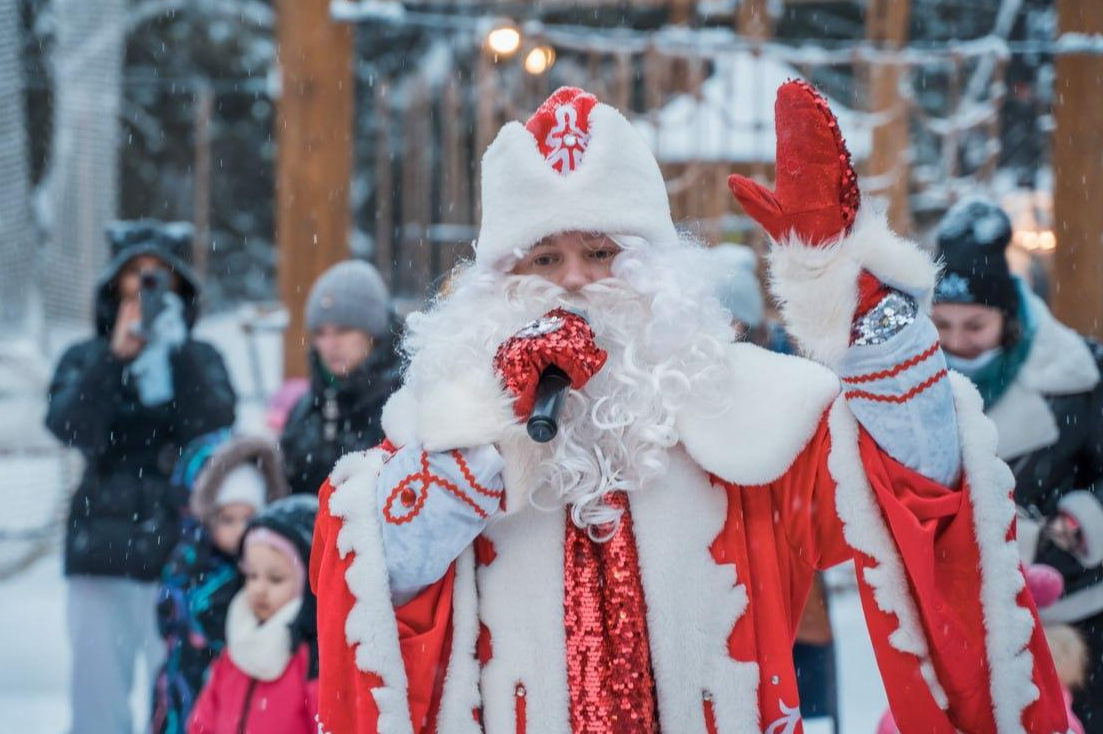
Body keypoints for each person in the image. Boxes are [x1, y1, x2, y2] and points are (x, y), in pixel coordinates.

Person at [310, 84, 1069, 734]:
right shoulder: (444, 429)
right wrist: (497, 432)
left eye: (603, 252)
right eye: (544, 258)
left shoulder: (748, 415)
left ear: (656, 268)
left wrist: (856, 306)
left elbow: (917, 493)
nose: (575, 280)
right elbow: (376, 591)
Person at [45, 220, 236, 734]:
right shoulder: (85, 357)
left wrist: (176, 353)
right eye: (135, 276)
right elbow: (69, 425)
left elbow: (217, 425)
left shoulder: (199, 356)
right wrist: (114, 359)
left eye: (159, 277)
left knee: (175, 695)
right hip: (99, 551)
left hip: (177, 553)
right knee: (97, 702)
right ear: (114, 285)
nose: (145, 289)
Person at [932, 198, 1103, 729]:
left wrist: (1078, 522)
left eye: (974, 325)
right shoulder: (917, 386)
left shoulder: (1077, 375)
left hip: (1075, 615)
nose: (957, 342)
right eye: (942, 324)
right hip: (966, 618)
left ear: (1007, 318)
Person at [151, 432, 290, 734]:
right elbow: (168, 609)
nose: (240, 531)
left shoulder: (262, 564)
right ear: (209, 519)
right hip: (189, 673)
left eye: (248, 518)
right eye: (228, 520)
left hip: (238, 680)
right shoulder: (191, 560)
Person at [187, 495, 320, 734]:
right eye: (252, 575)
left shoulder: (311, 659)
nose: (259, 588)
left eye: (275, 578)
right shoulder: (235, 648)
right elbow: (202, 724)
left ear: (307, 584)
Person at [280, 260, 402, 495]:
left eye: (344, 330)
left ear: (373, 333)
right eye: (321, 333)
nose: (331, 344)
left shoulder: (404, 403)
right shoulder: (306, 409)